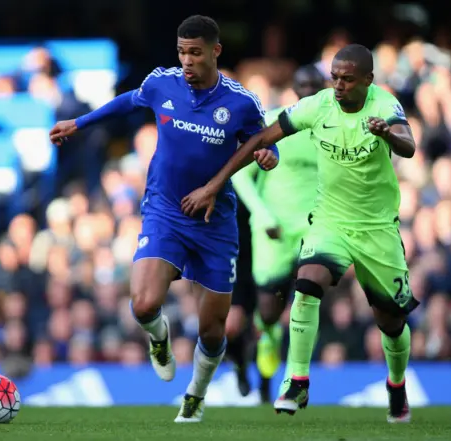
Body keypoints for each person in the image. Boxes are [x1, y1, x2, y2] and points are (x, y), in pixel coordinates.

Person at [49, 15, 279, 423]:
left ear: (214, 51)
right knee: (143, 303)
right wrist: (79, 124)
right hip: (165, 211)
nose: (186, 61)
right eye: (181, 52)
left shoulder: (241, 102)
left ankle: (196, 393)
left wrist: (269, 156)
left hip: (215, 221)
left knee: (213, 330)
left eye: (195, 53)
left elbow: (264, 144)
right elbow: (128, 102)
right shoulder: (162, 82)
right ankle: (160, 340)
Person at [181, 43, 419, 423]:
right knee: (305, 286)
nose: (338, 86)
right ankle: (296, 380)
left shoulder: (385, 106)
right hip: (328, 222)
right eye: (335, 78)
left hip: (376, 229)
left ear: (369, 81)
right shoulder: (317, 107)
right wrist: (213, 185)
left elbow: (408, 144)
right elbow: (259, 140)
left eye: (348, 79)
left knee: (391, 322)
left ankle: (396, 385)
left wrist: (388, 136)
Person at [230, 65, 326, 402]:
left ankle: (296, 376)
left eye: (316, 87)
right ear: (294, 90)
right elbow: (240, 173)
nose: (310, 93)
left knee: (307, 294)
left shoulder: (335, 128)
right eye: (304, 87)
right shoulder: (275, 121)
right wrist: (262, 213)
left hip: (314, 228)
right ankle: (267, 339)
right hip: (273, 229)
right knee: (269, 311)